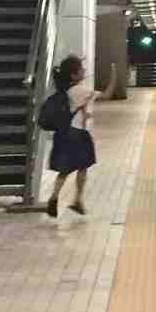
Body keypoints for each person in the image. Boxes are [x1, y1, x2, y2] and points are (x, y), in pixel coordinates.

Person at [47, 54, 117, 217]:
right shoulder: (81, 90)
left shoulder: (66, 90)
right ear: (74, 75)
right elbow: (107, 95)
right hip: (78, 135)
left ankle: (55, 197)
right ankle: (77, 200)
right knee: (83, 166)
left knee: (65, 169)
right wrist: (114, 75)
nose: (84, 70)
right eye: (81, 69)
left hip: (64, 133)